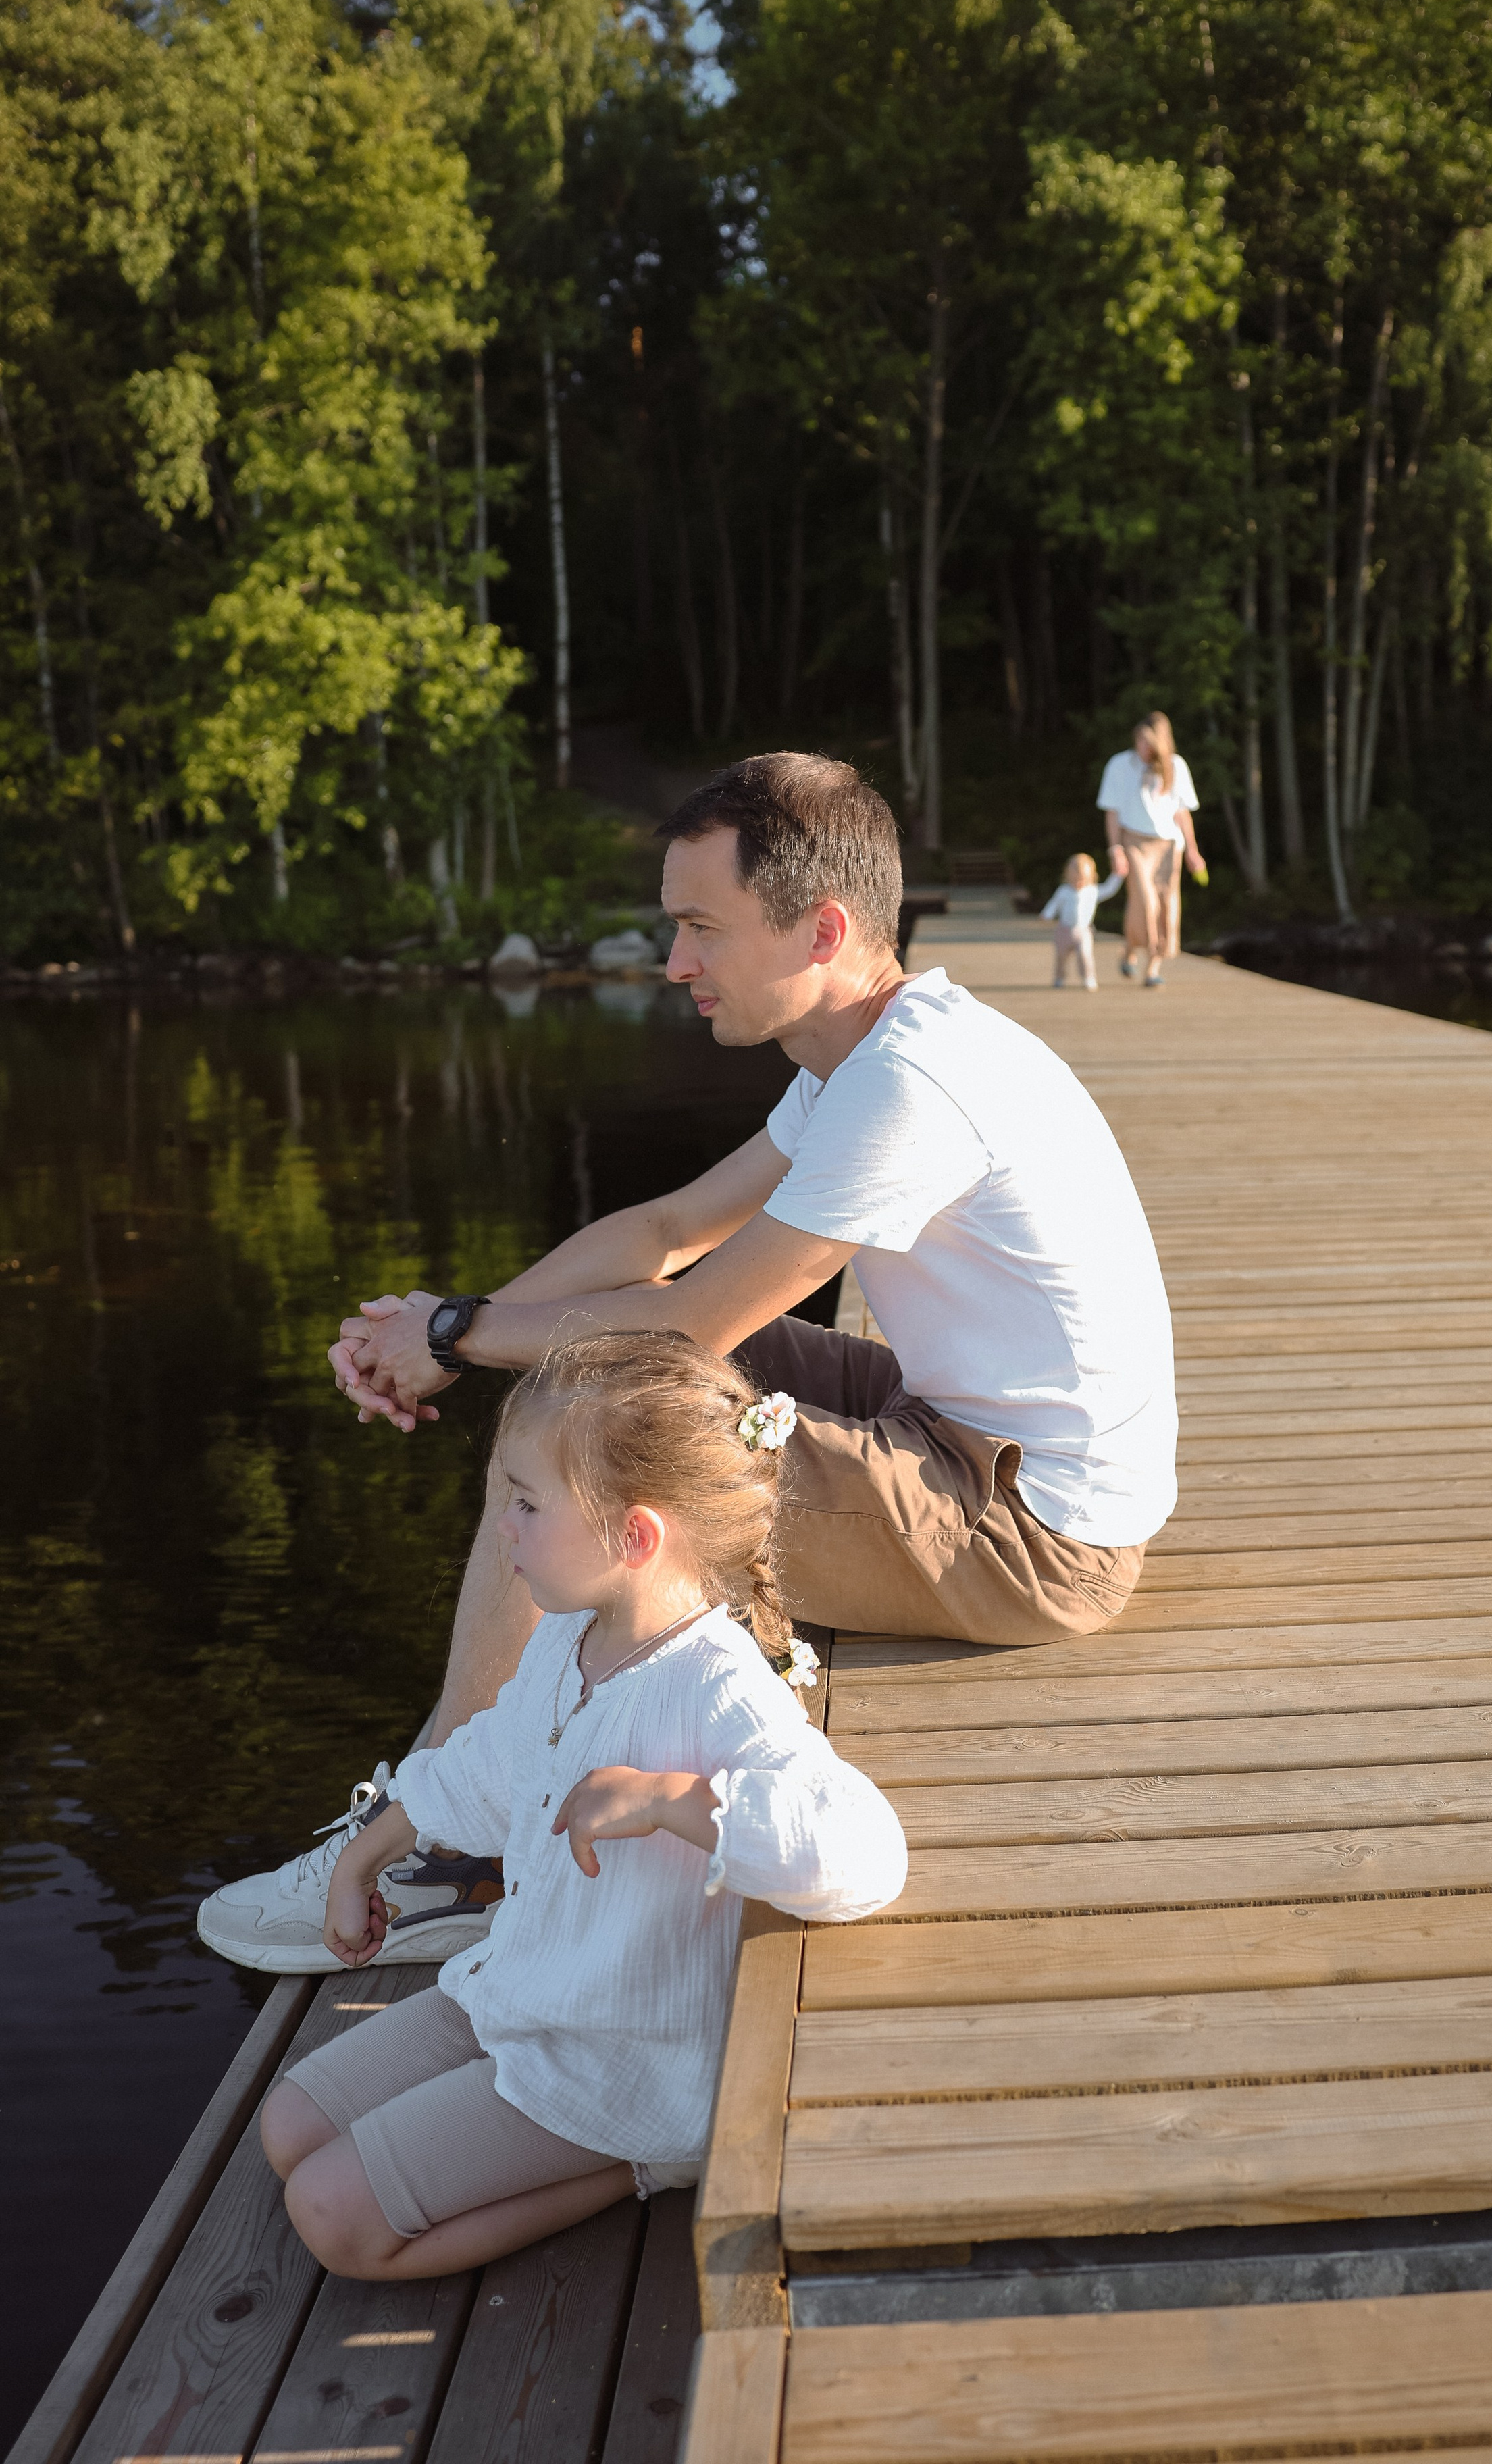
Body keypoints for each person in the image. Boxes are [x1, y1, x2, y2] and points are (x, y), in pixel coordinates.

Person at [198, 751, 1178, 1976]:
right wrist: (455, 1324)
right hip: (967, 1438)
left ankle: (447, 1852)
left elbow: (688, 1325)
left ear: (820, 930)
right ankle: (484, 1793)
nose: (675, 965)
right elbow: (666, 1235)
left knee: (596, 1412)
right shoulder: (871, 1053)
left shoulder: (910, 1085)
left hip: (1032, 1533)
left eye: (701, 928)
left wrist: (452, 1340)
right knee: (612, 1356)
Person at [257, 1331, 905, 2281]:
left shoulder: (718, 1684)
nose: (504, 1529)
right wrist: (364, 1858)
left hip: (616, 2051)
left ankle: (643, 2162)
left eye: (524, 1504)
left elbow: (865, 1854)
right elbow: (487, 1766)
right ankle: (571, 2136)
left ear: (634, 1537)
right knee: (288, 2129)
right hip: (519, 1985)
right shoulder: (569, 1638)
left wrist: (674, 1798)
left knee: (333, 2219)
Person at [1096, 712, 1207, 987]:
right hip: (1134, 841)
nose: (1143, 748)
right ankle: (1131, 950)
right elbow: (1112, 812)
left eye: (1149, 743)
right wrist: (1115, 849)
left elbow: (1182, 813)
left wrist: (1193, 850)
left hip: (1169, 844)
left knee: (1165, 905)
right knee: (1144, 901)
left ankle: (1152, 968)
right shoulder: (1120, 765)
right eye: (1140, 742)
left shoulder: (1176, 767)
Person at [1039, 852, 1123, 990]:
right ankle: (1060, 977)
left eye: (1082, 879)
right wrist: (1046, 915)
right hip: (1064, 931)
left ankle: (1089, 978)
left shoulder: (1092, 891)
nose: (1078, 883)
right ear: (1068, 876)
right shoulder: (1064, 891)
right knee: (1061, 957)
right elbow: (1054, 904)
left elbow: (1109, 889)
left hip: (1084, 931)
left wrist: (1118, 875)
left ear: (1090, 877)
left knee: (1085, 955)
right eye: (1075, 878)